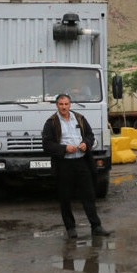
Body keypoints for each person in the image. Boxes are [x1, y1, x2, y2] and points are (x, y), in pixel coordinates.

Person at [41, 94, 111, 239]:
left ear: (70, 104)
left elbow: (90, 135)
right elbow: (47, 145)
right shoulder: (51, 122)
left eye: (66, 104)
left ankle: (96, 226)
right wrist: (64, 148)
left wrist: (86, 143)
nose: (64, 107)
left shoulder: (79, 118)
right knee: (65, 197)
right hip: (64, 164)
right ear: (57, 105)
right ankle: (70, 228)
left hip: (81, 162)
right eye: (61, 104)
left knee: (89, 195)